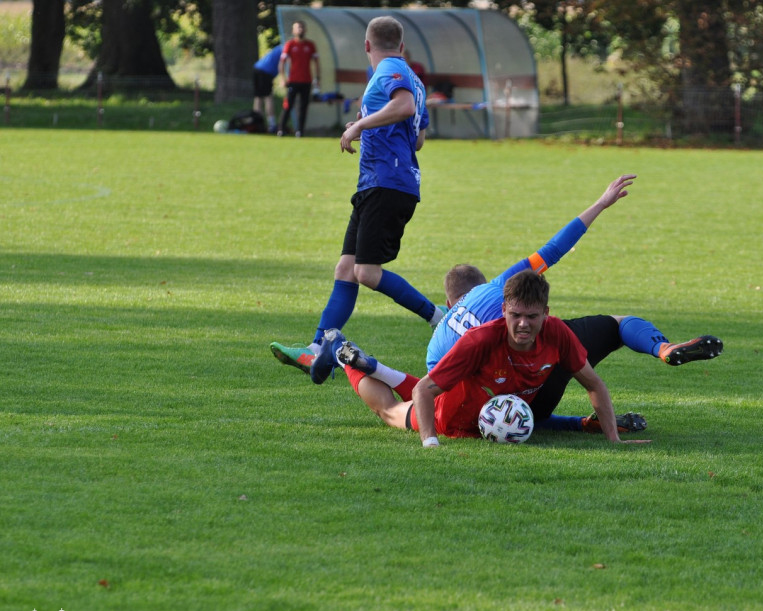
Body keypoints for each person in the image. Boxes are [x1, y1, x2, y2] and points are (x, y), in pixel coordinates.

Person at [312, 174, 722, 434]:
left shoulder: (442, 336)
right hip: (545, 355)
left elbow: (433, 389)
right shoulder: (503, 287)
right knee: (616, 323)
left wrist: (431, 440)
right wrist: (600, 203)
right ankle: (662, 347)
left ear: (451, 301)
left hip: (495, 386)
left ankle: (353, 362)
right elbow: (554, 249)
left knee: (398, 410)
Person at [270, 16, 441, 374]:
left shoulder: (389, 71)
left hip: (386, 183)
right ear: (402, 44)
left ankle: (437, 316)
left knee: (365, 272)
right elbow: (418, 138)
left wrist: (361, 123)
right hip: (380, 183)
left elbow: (405, 107)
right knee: (346, 269)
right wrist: (368, 128)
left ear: (367, 46)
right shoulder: (415, 78)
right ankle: (317, 349)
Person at [312, 271, 651, 447]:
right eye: (515, 315)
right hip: (452, 417)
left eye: (532, 317)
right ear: (503, 309)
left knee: (419, 386)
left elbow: (593, 383)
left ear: (546, 314)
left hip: (495, 406)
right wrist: (430, 442)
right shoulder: (480, 341)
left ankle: (369, 364)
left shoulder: (559, 333)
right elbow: (426, 391)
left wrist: (614, 441)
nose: (523, 324)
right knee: (388, 411)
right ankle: (345, 359)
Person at [278, 21, 321, 138]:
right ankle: (281, 129)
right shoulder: (290, 45)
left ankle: (300, 131)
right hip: (293, 81)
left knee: (303, 107)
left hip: (307, 81)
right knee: (288, 105)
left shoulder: (310, 45)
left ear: (305, 30)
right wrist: (283, 78)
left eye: (302, 27)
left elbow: (316, 62)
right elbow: (282, 62)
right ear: (293, 31)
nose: (300, 30)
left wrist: (317, 78)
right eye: (297, 28)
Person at [253, 44, 282, 133]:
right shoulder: (287, 48)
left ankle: (257, 124)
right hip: (265, 72)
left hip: (257, 68)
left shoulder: (281, 47)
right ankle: (272, 125)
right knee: (268, 97)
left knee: (258, 98)